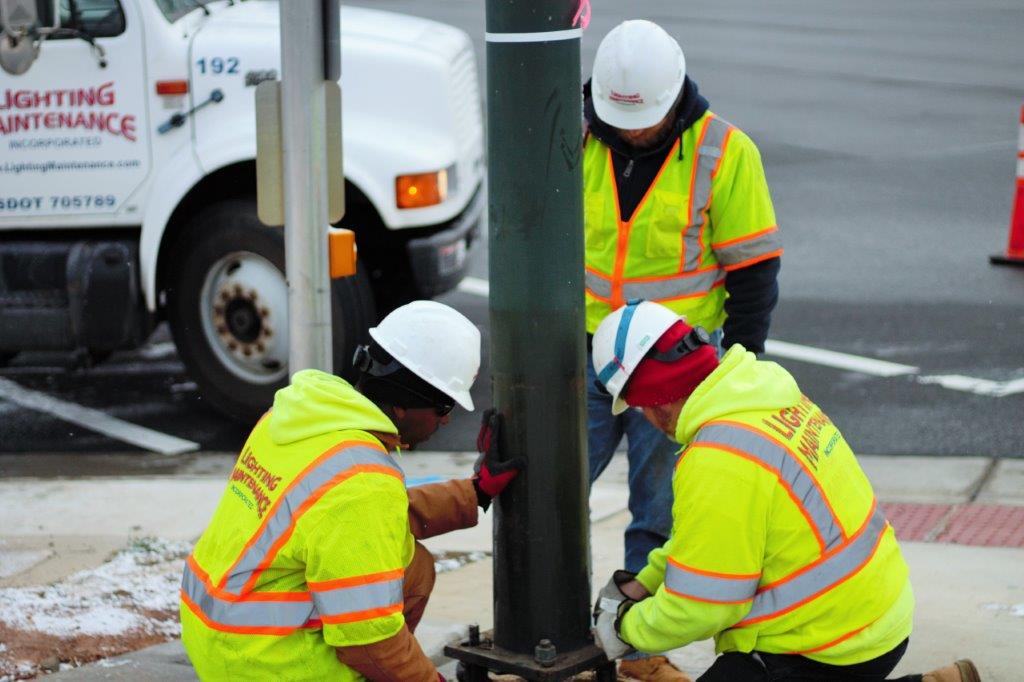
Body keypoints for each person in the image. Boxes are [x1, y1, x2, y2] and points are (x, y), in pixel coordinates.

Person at [588, 300, 980, 682]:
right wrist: (644, 582)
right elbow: (712, 539)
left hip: (827, 646)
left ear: (655, 401)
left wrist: (626, 628)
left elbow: (702, 607)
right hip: (875, 616)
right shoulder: (759, 395)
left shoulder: (718, 458)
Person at [583, 19, 783, 680]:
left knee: (660, 512)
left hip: (670, 368)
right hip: (581, 350)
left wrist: (738, 363)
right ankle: (550, 623)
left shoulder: (724, 152)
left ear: (675, 98)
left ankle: (635, 649)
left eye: (646, 121)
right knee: (545, 491)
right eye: (622, 120)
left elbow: (752, 271)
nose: (633, 133)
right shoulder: (577, 136)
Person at [179, 301, 521, 681]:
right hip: (267, 663)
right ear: (405, 402)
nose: (446, 419)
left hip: (215, 631)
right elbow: (370, 642)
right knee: (398, 595)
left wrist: (475, 493)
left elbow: (354, 521)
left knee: (412, 564)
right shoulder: (361, 484)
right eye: (443, 405)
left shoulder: (297, 418)